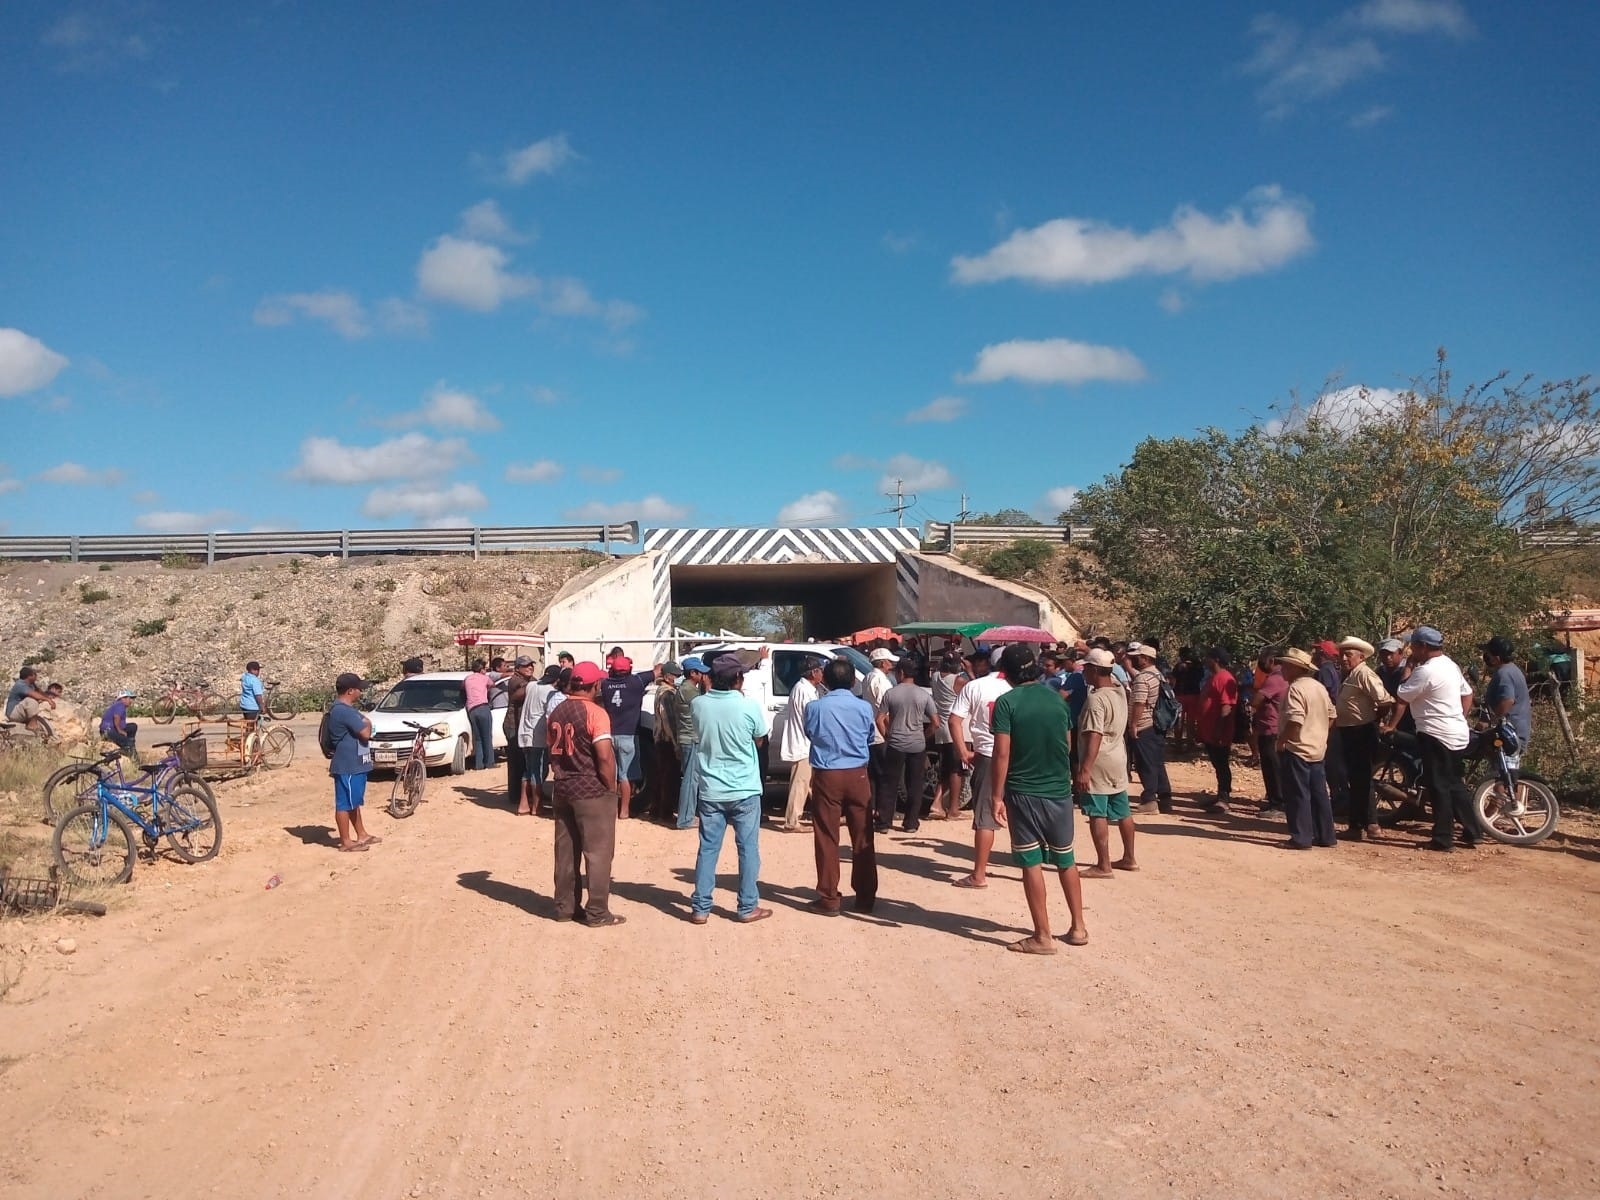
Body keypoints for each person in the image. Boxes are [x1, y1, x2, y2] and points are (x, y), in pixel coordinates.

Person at [989, 645, 1088, 953]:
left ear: (1006, 673)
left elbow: (1002, 753)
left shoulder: (1007, 704)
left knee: (1030, 861)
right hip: (1058, 790)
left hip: (1023, 791)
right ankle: (1078, 927)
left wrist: (996, 795)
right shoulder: (1057, 700)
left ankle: (1042, 936)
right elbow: (1068, 742)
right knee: (1065, 859)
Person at [688, 657, 772, 924]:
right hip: (744, 787)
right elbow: (760, 738)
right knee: (748, 849)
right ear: (738, 678)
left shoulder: (698, 705)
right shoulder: (748, 706)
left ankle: (701, 907)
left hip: (711, 788)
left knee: (708, 849)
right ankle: (747, 906)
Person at [547, 662, 625, 925]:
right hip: (591, 789)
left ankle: (564, 908)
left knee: (566, 851)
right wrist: (611, 787)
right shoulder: (596, 712)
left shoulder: (557, 710)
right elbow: (604, 756)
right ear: (595, 685)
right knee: (599, 853)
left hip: (562, 786)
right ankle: (597, 912)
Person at [1387, 626, 1478, 852]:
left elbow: (1401, 697)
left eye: (1414, 645)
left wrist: (1390, 726)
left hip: (1435, 733)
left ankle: (1443, 838)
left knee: (1438, 786)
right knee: (1455, 783)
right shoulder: (1450, 665)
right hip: (1456, 731)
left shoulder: (1424, 672)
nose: (1411, 649)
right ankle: (1473, 831)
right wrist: (1458, 717)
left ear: (1423, 647)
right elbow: (1467, 694)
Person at [803, 656, 878, 915]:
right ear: (852, 680)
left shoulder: (815, 707)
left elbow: (810, 733)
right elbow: (870, 736)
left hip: (827, 774)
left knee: (826, 836)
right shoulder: (864, 707)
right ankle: (866, 896)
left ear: (825, 679)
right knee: (863, 836)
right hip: (857, 774)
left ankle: (829, 897)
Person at [947, 648, 1012, 890]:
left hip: (988, 754)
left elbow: (954, 720)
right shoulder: (1021, 688)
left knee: (985, 816)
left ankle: (979, 873)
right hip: (1019, 754)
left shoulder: (975, 686)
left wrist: (963, 751)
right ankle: (1029, 867)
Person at [1076, 647, 1137, 876]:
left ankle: (1104, 864)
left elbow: (1095, 734)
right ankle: (1129, 857)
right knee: (1123, 811)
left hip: (1099, 761)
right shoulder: (1119, 690)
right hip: (1118, 758)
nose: (1083, 672)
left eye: (1086, 668)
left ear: (1093, 670)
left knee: (1097, 812)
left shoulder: (1096, 700)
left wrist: (1085, 769)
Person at [1275, 649, 1336, 850]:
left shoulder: (1295, 689)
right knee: (1319, 794)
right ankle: (1326, 836)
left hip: (1297, 748)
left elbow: (1295, 720)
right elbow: (1332, 714)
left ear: (1294, 668)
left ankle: (1301, 838)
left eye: (1285, 665)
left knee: (1297, 794)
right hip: (1317, 748)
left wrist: (1283, 740)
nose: (1282, 669)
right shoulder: (1318, 687)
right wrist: (1320, 732)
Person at [1335, 637, 1394, 841]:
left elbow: (1385, 700)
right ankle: (1359, 825)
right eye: (1342, 654)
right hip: (1350, 731)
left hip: (1361, 731)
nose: (1344, 658)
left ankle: (1369, 824)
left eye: (1348, 654)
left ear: (1360, 657)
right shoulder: (1351, 674)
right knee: (1356, 779)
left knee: (1361, 779)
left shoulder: (1364, 674)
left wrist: (1374, 719)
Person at [876, 656, 937, 833]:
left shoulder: (891, 693)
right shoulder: (923, 695)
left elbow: (879, 719)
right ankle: (911, 823)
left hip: (896, 744)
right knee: (915, 784)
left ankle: (884, 823)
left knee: (889, 784)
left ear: (901, 673)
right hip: (917, 745)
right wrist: (923, 736)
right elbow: (936, 722)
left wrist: (888, 736)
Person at [598, 654, 659, 819]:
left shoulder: (605, 684)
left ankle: (610, 808)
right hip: (629, 735)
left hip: (609, 735)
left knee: (611, 774)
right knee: (625, 776)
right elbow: (658, 670)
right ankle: (624, 811)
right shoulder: (636, 682)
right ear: (629, 669)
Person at [326, 671, 380, 852]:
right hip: (347, 764)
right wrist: (368, 723)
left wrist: (365, 721)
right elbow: (365, 732)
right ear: (350, 691)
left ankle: (362, 834)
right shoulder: (343, 711)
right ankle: (346, 842)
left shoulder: (346, 710)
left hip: (355, 764)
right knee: (344, 803)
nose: (361, 692)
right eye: (359, 689)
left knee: (353, 801)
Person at [775, 656, 825, 832]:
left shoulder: (807, 688)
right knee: (800, 784)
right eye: (820, 670)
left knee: (810, 784)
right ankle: (792, 821)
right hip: (803, 744)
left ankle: (823, 814)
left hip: (806, 744)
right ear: (814, 672)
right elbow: (810, 718)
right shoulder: (804, 690)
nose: (822, 674)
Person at [1125, 642, 1172, 815]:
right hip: (1157, 724)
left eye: (1137, 657)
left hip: (1144, 724)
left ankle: (1149, 799)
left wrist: (1133, 725)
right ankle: (1165, 798)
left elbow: (1140, 702)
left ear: (1145, 659)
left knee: (1145, 763)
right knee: (1158, 762)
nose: (1134, 660)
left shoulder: (1143, 678)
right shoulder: (1158, 675)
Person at [1195, 647, 1238, 813]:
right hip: (1210, 731)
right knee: (1217, 764)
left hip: (1219, 732)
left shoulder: (1225, 678)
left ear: (1216, 660)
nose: (1205, 660)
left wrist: (1219, 730)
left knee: (1222, 764)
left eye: (1208, 657)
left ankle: (1224, 799)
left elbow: (1226, 707)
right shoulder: (1214, 677)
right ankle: (1220, 795)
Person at [928, 651, 969, 820]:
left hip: (941, 729)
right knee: (956, 771)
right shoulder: (959, 680)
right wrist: (971, 671)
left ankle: (936, 804)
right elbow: (973, 690)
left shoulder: (936, 676)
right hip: (954, 730)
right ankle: (953, 809)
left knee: (945, 770)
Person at [518, 664, 561, 816]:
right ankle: (537, 806)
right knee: (538, 770)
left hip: (524, 733)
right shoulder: (551, 692)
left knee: (528, 769)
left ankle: (523, 803)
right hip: (538, 735)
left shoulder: (531, 685)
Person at [674, 656, 709, 829]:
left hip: (688, 738)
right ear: (692, 673)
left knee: (691, 777)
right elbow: (705, 706)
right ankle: (685, 818)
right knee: (690, 779)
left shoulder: (686, 689)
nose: (703, 675)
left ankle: (687, 815)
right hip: (692, 738)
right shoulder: (689, 691)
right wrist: (708, 688)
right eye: (700, 672)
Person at [1252, 651, 1288, 815]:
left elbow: (1258, 698)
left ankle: (1277, 803)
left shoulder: (1275, 679)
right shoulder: (1280, 677)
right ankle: (1275, 800)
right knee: (1270, 766)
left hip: (1271, 728)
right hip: (1270, 727)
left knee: (1272, 767)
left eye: (1262, 662)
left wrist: (1251, 707)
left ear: (1272, 660)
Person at [647, 662, 684, 823]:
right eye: (674, 675)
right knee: (669, 778)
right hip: (667, 740)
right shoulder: (667, 694)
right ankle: (666, 812)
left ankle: (656, 809)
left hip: (659, 739)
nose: (676, 678)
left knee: (660, 775)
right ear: (667, 676)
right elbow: (669, 720)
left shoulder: (661, 690)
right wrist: (676, 744)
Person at [1480, 636, 1532, 750]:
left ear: (1496, 658)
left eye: (1488, 654)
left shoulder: (1504, 674)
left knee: (1503, 767)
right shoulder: (1513, 670)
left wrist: (1490, 722)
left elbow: (1507, 700)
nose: (1485, 657)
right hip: (1513, 734)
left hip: (1508, 736)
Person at [864, 648, 897, 822]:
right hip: (881, 733)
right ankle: (882, 811)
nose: (891, 664)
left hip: (872, 733)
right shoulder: (880, 680)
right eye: (889, 661)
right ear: (883, 662)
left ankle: (873, 808)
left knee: (874, 776)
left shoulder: (869, 677)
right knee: (885, 775)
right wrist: (890, 733)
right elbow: (885, 710)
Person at [502, 655, 537, 810]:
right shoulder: (516, 681)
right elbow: (525, 692)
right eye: (525, 665)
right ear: (517, 668)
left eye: (531, 665)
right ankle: (515, 795)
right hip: (513, 726)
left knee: (523, 761)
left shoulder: (531, 680)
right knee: (516, 762)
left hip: (521, 725)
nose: (529, 667)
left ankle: (526, 793)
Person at [463, 659, 494, 771]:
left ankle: (479, 764)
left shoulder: (467, 679)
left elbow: (463, 688)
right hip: (483, 707)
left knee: (478, 738)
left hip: (471, 710)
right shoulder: (484, 678)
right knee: (487, 736)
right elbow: (492, 685)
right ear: (481, 669)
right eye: (485, 669)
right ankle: (489, 762)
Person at [6, 666, 56, 734]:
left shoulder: (31, 684)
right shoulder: (20, 684)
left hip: (21, 712)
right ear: (30, 676)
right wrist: (48, 700)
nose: (36, 676)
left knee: (44, 722)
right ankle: (31, 725)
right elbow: (33, 694)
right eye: (34, 674)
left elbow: (38, 691)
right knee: (31, 700)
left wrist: (49, 697)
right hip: (13, 713)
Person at [100, 688, 138, 755]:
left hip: (112, 729)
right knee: (128, 743)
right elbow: (116, 717)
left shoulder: (118, 705)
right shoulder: (120, 705)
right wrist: (120, 730)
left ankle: (131, 742)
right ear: (123, 698)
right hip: (108, 731)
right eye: (130, 698)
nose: (131, 701)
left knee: (133, 726)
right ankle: (133, 758)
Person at [240, 660, 266, 725]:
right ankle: (249, 735)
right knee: (252, 727)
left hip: (244, 704)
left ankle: (248, 734)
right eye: (257, 670)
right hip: (252, 707)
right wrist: (262, 706)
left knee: (249, 725)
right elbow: (258, 695)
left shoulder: (245, 677)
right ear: (253, 670)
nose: (258, 672)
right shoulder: (255, 680)